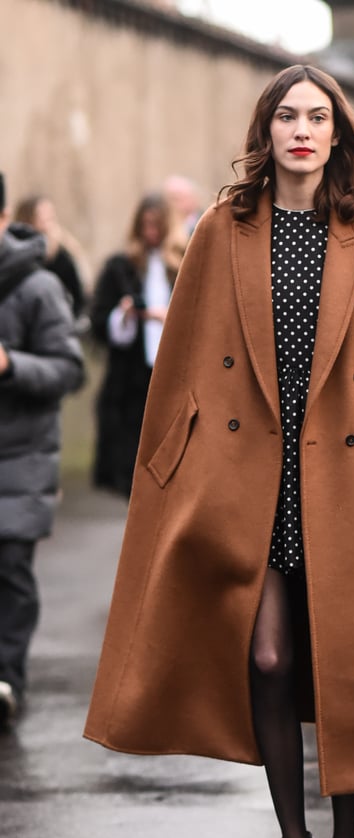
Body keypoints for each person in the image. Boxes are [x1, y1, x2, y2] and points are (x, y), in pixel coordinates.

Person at [83, 64, 354, 838]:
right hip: (255, 477)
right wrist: (167, 469)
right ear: (267, 131)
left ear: (338, 133)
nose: (302, 129)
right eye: (287, 115)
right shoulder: (224, 230)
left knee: (349, 662)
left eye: (317, 116)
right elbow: (182, 359)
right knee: (266, 658)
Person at [0, 172, 85, 727]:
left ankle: (7, 679)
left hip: (19, 461)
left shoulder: (37, 287)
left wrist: (10, 365)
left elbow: (69, 368)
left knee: (9, 569)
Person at [90, 192, 187, 498]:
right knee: (132, 469)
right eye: (145, 225)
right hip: (130, 382)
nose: (151, 233)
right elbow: (99, 322)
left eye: (157, 225)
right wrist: (126, 315)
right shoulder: (121, 267)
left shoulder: (186, 263)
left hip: (176, 378)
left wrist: (167, 317)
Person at [12, 193, 88, 322]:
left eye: (51, 217)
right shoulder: (14, 252)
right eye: (42, 218)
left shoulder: (62, 255)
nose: (48, 224)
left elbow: (79, 297)